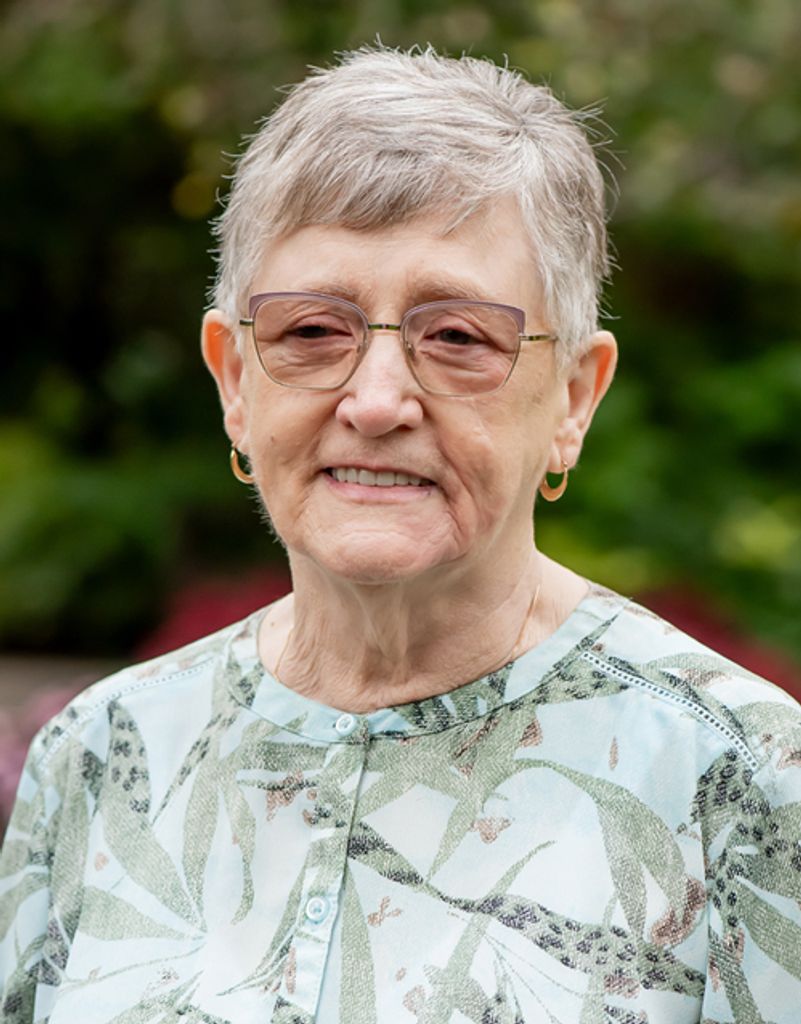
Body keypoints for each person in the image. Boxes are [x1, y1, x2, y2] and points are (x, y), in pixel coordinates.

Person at [1, 44, 800, 1024]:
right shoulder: (98, 755)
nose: (376, 401)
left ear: (574, 397)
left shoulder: (745, 782)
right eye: (311, 331)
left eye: (457, 336)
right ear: (235, 381)